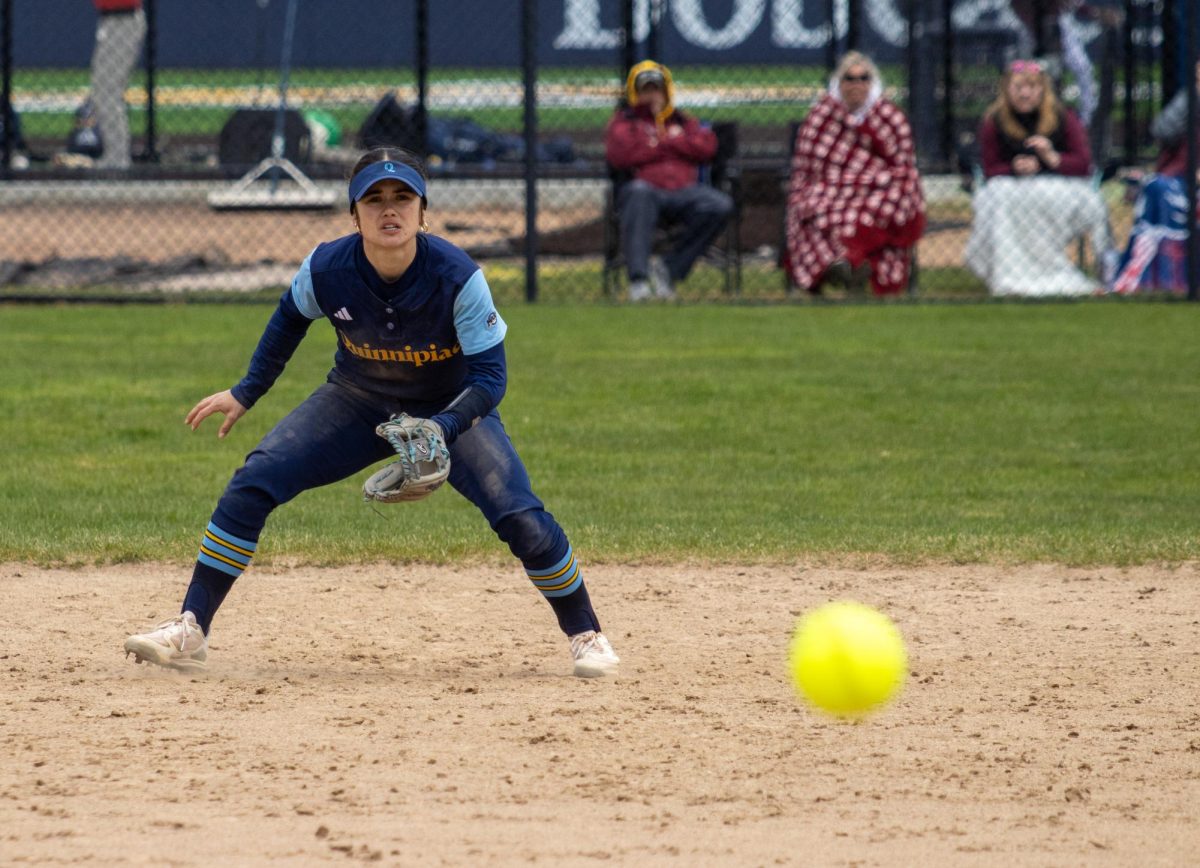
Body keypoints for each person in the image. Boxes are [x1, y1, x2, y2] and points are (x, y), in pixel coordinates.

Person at [123, 148, 620, 678]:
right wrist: (247, 391)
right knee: (256, 479)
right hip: (356, 398)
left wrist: (441, 428)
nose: (390, 209)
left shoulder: (457, 277)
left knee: (519, 515)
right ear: (353, 213)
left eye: (403, 197)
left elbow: (491, 380)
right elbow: (288, 320)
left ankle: (586, 633)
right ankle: (191, 626)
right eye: (374, 198)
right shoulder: (328, 267)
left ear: (422, 211)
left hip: (448, 408)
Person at [784, 51, 926, 296]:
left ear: (873, 82)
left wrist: (875, 181)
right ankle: (841, 266)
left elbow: (904, 168)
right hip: (831, 188)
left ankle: (853, 265)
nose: (857, 84)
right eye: (849, 78)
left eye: (864, 78)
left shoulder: (890, 117)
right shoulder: (820, 117)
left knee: (886, 204)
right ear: (839, 83)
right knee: (811, 207)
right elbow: (807, 169)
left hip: (877, 189)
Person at [965, 59, 1110, 296]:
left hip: (1058, 189)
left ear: (1042, 90)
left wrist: (1051, 159)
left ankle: (1048, 268)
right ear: (1007, 90)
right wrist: (1014, 167)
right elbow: (990, 170)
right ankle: (1011, 273)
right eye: (1018, 88)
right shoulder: (994, 122)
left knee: (1044, 194)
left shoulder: (1064, 117)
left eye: (1032, 88)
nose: (1025, 94)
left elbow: (1083, 165)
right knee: (1000, 195)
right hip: (1011, 190)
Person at [604, 60, 733, 301]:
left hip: (684, 191)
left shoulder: (683, 121)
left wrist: (661, 142)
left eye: (656, 89)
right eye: (645, 90)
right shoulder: (625, 122)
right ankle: (639, 282)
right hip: (646, 192)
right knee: (639, 193)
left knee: (719, 205)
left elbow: (707, 148)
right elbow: (622, 155)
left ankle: (669, 268)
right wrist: (674, 144)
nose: (652, 96)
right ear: (635, 93)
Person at [1111, 62, 1200, 294]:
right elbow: (1162, 130)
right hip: (1182, 180)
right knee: (1157, 188)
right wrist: (1195, 95)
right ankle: (1162, 279)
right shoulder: (1192, 100)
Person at [89, 0, 146, 170]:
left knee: (107, 92)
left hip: (124, 20)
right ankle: (115, 156)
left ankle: (118, 158)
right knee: (103, 91)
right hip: (110, 21)